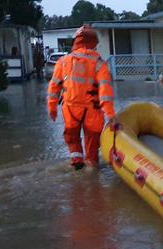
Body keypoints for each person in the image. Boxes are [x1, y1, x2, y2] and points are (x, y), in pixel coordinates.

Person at [47, 25, 115, 170]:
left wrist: (52, 108)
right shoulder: (99, 64)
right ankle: (91, 174)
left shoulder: (63, 61)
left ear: (76, 41)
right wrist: (110, 114)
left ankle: (77, 166)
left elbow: (54, 87)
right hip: (93, 110)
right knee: (92, 151)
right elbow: (105, 91)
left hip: (70, 109)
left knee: (73, 140)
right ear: (94, 42)